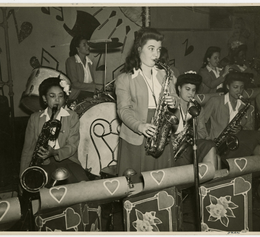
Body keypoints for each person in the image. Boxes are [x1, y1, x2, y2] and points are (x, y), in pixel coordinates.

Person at [115, 27, 179, 183]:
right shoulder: (125, 78)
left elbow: (176, 98)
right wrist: (140, 126)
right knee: (138, 183)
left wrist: (174, 101)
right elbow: (123, 110)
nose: (156, 54)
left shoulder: (166, 74)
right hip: (137, 135)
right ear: (139, 49)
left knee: (162, 180)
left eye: (158, 49)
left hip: (161, 131)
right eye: (151, 49)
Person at [19, 77, 89, 190]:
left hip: (67, 161)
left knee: (82, 188)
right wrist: (23, 176)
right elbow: (28, 149)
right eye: (52, 96)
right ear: (44, 98)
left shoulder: (72, 117)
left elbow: (72, 146)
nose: (57, 100)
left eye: (60, 96)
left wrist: (54, 152)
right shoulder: (35, 118)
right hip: (42, 163)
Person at [198, 71, 260, 160]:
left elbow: (249, 130)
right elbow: (200, 121)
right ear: (228, 87)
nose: (239, 91)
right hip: (218, 144)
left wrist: (241, 129)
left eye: (242, 87)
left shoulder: (245, 106)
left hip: (236, 142)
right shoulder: (215, 101)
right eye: (235, 87)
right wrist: (207, 139)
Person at [172, 72, 218, 169]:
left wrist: (192, 132)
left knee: (210, 145)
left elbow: (202, 133)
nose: (191, 93)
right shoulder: (172, 107)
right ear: (179, 88)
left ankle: (211, 182)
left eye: (193, 90)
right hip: (173, 151)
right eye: (187, 89)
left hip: (189, 146)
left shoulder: (198, 109)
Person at [65, 35, 102, 103]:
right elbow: (74, 84)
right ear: (77, 48)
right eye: (84, 45)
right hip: (77, 96)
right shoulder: (71, 61)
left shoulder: (89, 62)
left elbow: (91, 83)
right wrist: (95, 86)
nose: (88, 47)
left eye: (87, 44)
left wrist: (101, 86)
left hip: (88, 94)